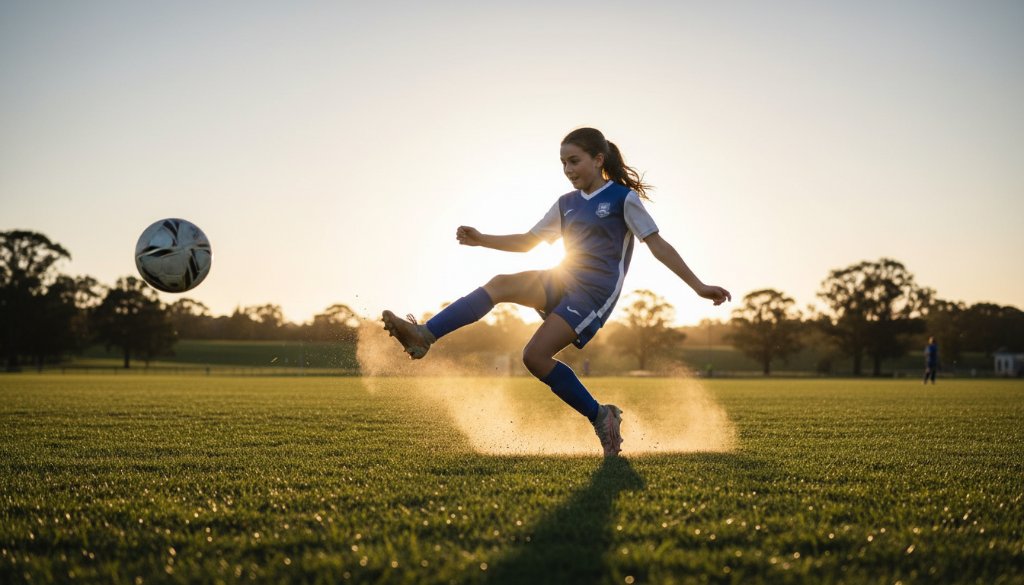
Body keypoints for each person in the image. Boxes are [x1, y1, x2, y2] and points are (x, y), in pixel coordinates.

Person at [382, 128, 731, 456]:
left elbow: (658, 245)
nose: (567, 169)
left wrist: (698, 286)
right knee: (501, 282)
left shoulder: (623, 199)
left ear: (598, 159)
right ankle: (424, 335)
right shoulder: (566, 203)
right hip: (561, 277)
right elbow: (529, 242)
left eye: (574, 160)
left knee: (534, 356)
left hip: (593, 295)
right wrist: (481, 239)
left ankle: (601, 417)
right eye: (563, 162)